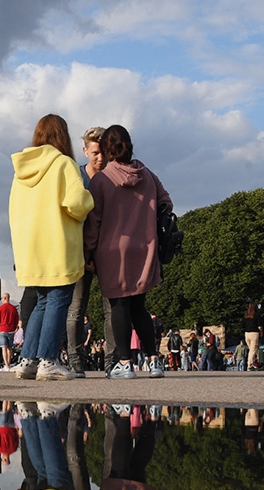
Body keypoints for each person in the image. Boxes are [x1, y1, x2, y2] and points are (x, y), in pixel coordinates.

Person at [9, 113, 94, 381]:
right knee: (58, 300)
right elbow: (77, 204)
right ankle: (48, 360)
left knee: (42, 303)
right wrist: (92, 199)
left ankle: (27, 360)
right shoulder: (64, 164)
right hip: (57, 245)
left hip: (30, 247)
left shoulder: (21, 170)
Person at [81, 125, 171, 380]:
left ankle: (124, 363)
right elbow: (166, 202)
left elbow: (94, 222)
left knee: (119, 303)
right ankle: (154, 360)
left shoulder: (102, 180)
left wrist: (87, 253)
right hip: (145, 247)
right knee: (139, 306)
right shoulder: (147, 174)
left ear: (107, 149)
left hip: (112, 249)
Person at [66, 126, 107, 376]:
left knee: (111, 306)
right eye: (95, 152)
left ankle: (113, 359)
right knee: (77, 307)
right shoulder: (77, 178)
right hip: (80, 250)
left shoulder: (113, 177)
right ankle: (75, 359)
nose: (100, 157)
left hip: (105, 250)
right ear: (85, 151)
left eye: (103, 152)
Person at [0, 291, 19, 371]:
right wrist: (14, 328)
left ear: (4, 298)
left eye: (1, 298)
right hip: (11, 330)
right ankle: (8, 363)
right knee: (9, 348)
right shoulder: (13, 308)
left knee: (3, 348)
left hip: (2, 329)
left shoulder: (1, 308)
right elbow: (16, 320)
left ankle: (6, 365)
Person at [242, 302, 262, 371]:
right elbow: (259, 325)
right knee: (253, 350)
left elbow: (243, 325)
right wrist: (261, 332)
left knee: (251, 350)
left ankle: (251, 363)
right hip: (254, 333)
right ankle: (249, 364)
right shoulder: (257, 315)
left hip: (247, 333)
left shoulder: (246, 316)